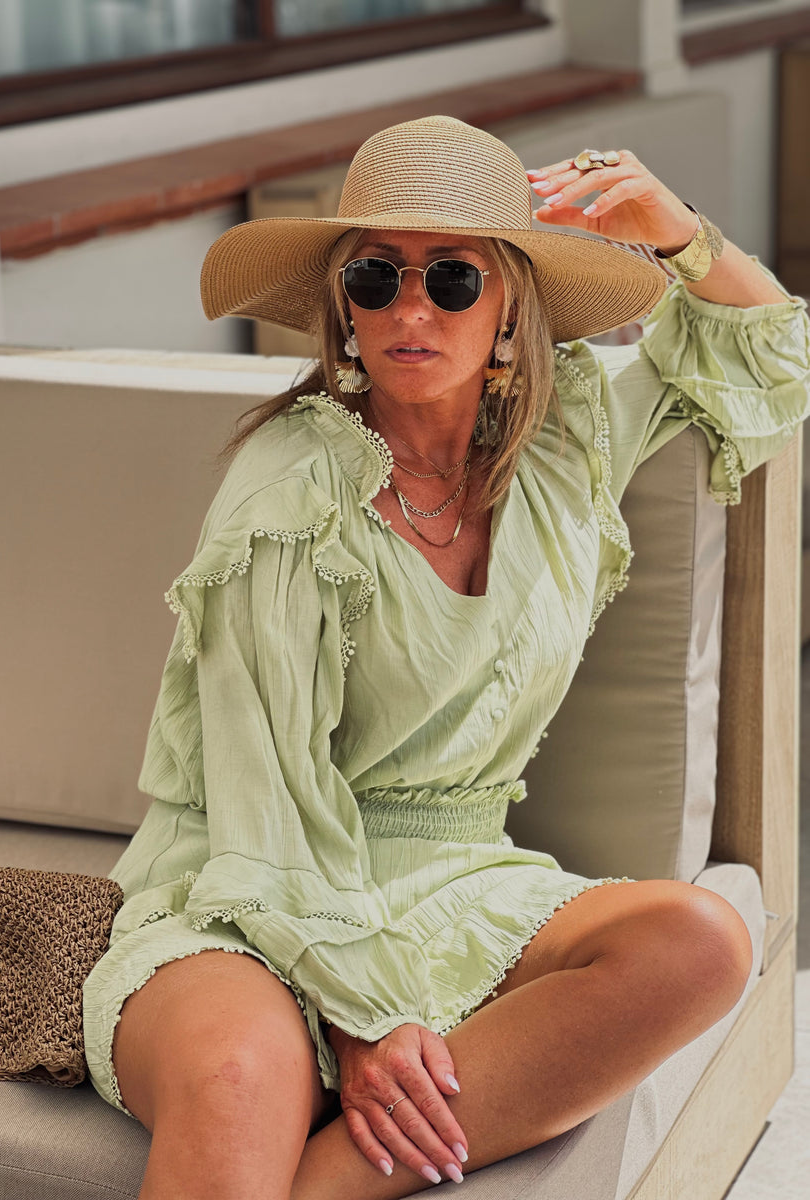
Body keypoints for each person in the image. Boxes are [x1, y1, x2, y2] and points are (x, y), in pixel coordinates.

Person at [82, 116, 810, 1200]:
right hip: (248, 883)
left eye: (454, 279)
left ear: (512, 303)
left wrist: (679, 235)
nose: (409, 311)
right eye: (375, 277)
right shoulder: (291, 489)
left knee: (703, 941)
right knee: (240, 1077)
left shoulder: (568, 443)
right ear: (344, 307)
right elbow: (266, 794)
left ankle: (331, 1181)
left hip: (455, 878)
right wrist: (365, 1016)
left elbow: (770, 358)